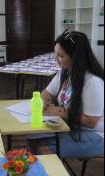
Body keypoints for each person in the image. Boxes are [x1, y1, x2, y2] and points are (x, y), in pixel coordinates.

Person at [41, 30, 104, 158]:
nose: (56, 60)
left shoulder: (93, 82)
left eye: (61, 56)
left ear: (76, 57)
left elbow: (91, 121)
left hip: (95, 136)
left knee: (44, 149)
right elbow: (46, 94)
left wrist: (59, 111)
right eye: (56, 55)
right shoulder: (65, 72)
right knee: (34, 138)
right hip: (70, 127)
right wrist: (42, 102)